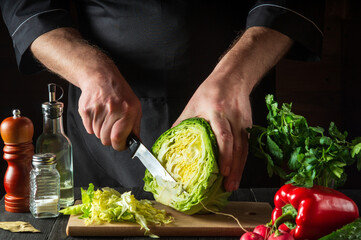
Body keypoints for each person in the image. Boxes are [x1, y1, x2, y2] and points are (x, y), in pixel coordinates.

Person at [0, 1, 324, 191]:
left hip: (234, 107)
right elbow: (28, 6)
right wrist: (91, 71)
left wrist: (234, 77)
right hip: (107, 127)